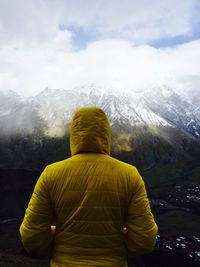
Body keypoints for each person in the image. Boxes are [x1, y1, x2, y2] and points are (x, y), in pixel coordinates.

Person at [20, 107, 158, 267]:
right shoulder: (130, 175)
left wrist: (57, 243)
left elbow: (31, 236)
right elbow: (145, 240)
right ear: (106, 134)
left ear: (74, 135)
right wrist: (116, 245)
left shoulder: (51, 173)